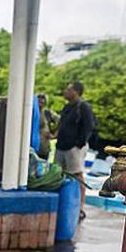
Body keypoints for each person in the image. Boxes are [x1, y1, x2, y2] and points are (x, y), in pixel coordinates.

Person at [56, 82, 94, 221]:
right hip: (61, 146)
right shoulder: (67, 107)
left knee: (77, 175)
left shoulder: (83, 107)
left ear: (76, 92)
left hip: (74, 147)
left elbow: (89, 126)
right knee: (59, 174)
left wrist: (79, 143)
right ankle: (63, 203)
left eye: (69, 89)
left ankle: (80, 207)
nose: (65, 91)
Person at [37, 94, 58, 160]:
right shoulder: (28, 111)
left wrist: (55, 134)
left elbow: (62, 121)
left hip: (43, 148)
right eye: (39, 98)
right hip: (30, 147)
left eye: (43, 98)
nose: (41, 100)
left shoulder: (47, 113)